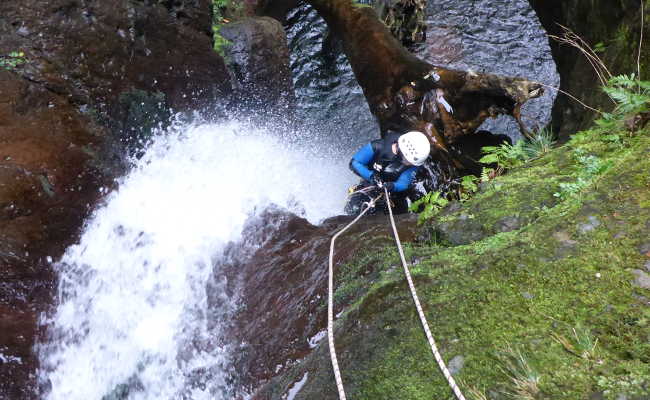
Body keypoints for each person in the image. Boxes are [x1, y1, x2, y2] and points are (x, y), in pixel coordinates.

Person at [345, 130, 431, 215]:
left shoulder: (412, 166)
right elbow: (354, 163)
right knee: (354, 208)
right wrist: (371, 176)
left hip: (393, 195)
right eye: (408, 161)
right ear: (401, 151)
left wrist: (392, 186)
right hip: (369, 185)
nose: (409, 164)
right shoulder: (377, 147)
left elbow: (404, 182)